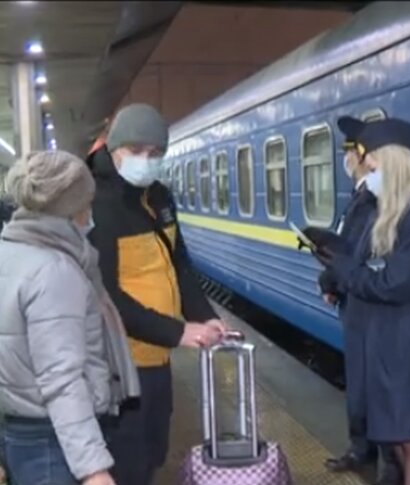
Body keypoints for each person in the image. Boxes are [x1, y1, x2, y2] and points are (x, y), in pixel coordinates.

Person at [86, 103, 229, 485]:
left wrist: (204, 316)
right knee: (126, 462)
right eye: (136, 151)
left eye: (155, 153)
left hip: (157, 359)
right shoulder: (95, 204)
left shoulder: (159, 197)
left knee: (153, 453)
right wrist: (178, 332)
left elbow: (179, 264)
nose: (145, 161)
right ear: (114, 149)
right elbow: (105, 297)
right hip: (119, 365)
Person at [310, 118, 410, 485]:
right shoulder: (397, 208)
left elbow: (395, 284)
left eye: (374, 168)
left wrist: (344, 269)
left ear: (395, 164)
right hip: (391, 341)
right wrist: (336, 259)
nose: (369, 174)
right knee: (399, 437)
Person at [0, 150, 142, 485]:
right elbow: (62, 379)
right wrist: (94, 469)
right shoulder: (54, 270)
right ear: (72, 210)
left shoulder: (9, 252)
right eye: (87, 203)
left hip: (21, 432)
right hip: (54, 443)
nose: (91, 213)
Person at [319, 116, 402, 485]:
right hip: (355, 300)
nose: (349, 159)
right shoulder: (361, 197)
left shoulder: (376, 200)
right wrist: (331, 279)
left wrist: (332, 275)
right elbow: (346, 245)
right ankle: (362, 448)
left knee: (375, 385)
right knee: (360, 382)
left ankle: (388, 465)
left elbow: (356, 250)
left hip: (370, 304)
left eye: (351, 152)